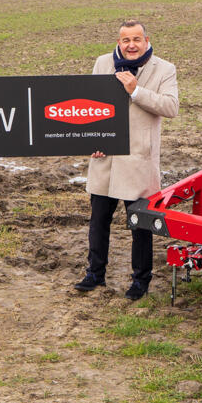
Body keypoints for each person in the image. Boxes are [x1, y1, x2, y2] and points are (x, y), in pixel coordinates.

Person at [75, 20, 178, 300]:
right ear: (118, 42)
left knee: (139, 225)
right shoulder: (102, 63)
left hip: (138, 163)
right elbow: (89, 106)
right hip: (105, 161)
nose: (131, 45)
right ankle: (95, 274)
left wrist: (136, 91)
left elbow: (171, 107)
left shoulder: (164, 69)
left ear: (146, 40)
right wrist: (92, 140)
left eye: (136, 39)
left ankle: (140, 281)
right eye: (125, 40)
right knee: (98, 222)